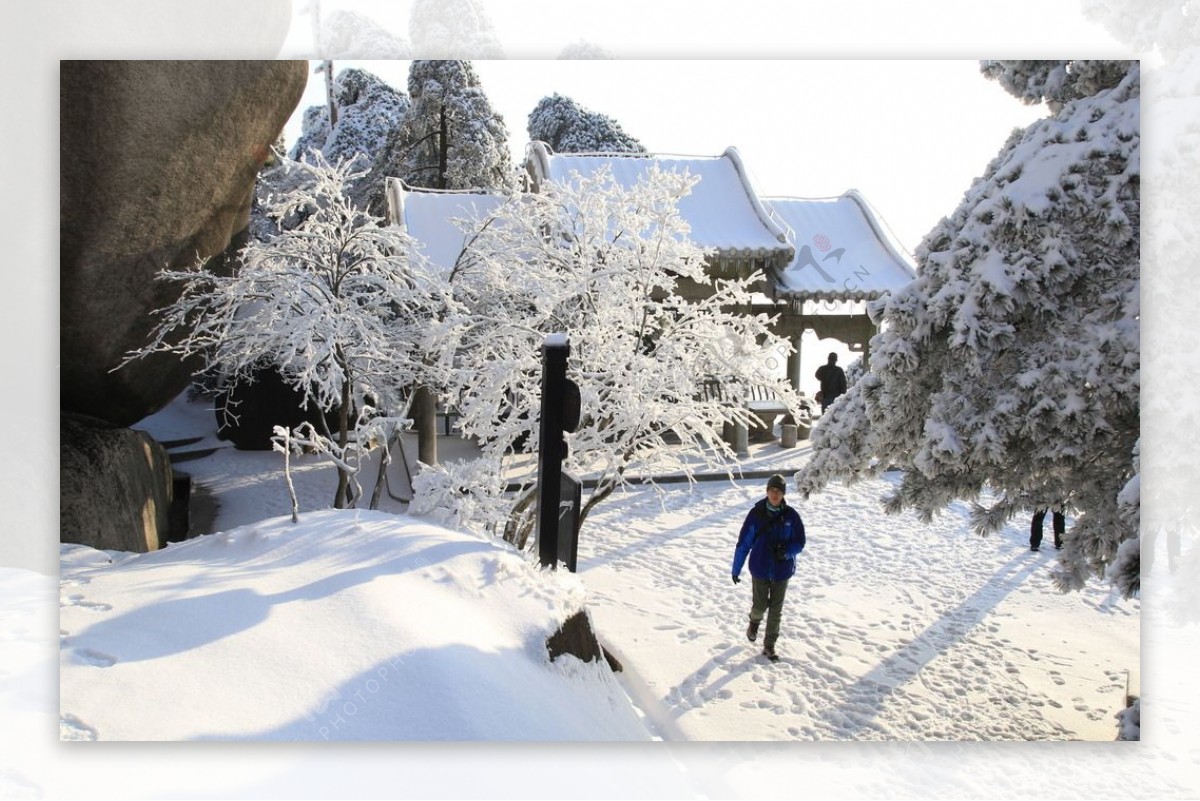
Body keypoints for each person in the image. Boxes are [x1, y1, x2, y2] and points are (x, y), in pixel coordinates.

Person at [731, 474, 806, 661]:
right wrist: (736, 569)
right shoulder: (756, 515)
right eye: (772, 490)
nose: (775, 494)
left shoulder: (791, 516)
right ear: (767, 491)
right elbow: (744, 544)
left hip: (782, 571)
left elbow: (800, 541)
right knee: (760, 605)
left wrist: (787, 552)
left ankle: (769, 645)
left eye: (779, 491)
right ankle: (754, 622)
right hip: (760, 568)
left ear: (783, 494)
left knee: (776, 609)